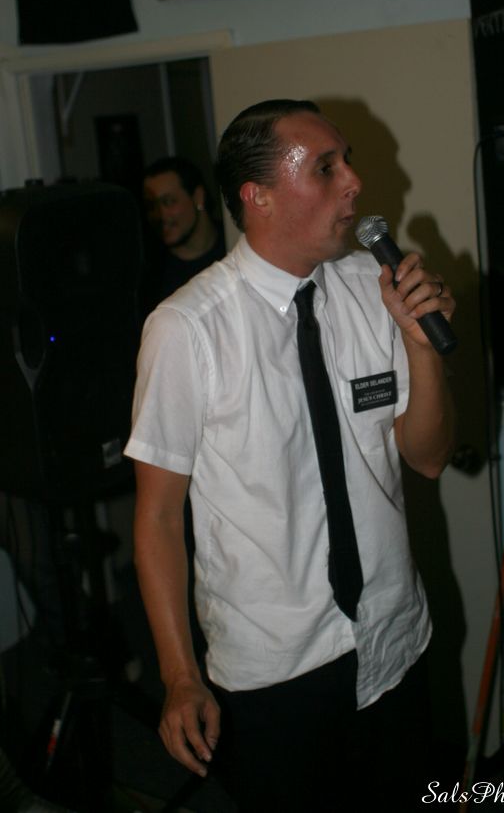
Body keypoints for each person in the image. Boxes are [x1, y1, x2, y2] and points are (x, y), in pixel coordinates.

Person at [126, 99, 456, 812]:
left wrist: (421, 347)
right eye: (326, 168)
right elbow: (157, 518)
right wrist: (179, 674)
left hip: (394, 637)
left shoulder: (371, 290)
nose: (355, 182)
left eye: (347, 162)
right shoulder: (187, 328)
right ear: (259, 197)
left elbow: (429, 457)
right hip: (275, 666)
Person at [141, 155, 225, 310]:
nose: (161, 215)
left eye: (169, 202)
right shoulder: (152, 276)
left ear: (198, 197)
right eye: (152, 206)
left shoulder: (235, 244)